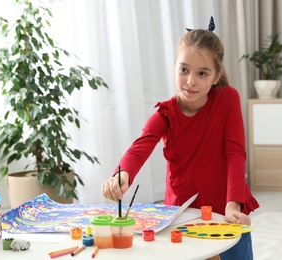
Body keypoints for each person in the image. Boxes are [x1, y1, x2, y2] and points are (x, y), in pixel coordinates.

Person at [102, 17, 259, 260]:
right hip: (183, 211)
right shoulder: (166, 113)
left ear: (216, 76)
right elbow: (141, 145)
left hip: (226, 204)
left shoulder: (228, 98)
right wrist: (122, 174)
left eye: (202, 73)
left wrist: (233, 204)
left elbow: (236, 153)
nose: (190, 81)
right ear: (175, 66)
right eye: (183, 69)